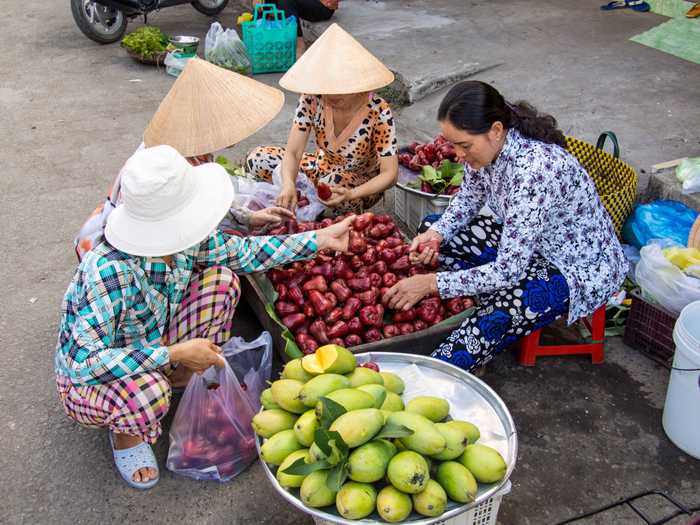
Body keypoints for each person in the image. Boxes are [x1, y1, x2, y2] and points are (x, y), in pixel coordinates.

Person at [56, 144, 354, 490]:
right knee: (150, 393)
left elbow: (242, 253)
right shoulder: (109, 270)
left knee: (224, 281)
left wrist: (318, 239)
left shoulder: (182, 239)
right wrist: (174, 353)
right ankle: (127, 436)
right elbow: (84, 362)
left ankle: (180, 377)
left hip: (154, 337)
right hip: (93, 374)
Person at [383, 80, 628, 372]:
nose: (457, 154)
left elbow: (509, 270)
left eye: (464, 145)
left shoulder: (532, 173)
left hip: (575, 265)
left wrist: (432, 284)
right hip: (528, 244)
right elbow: (469, 197)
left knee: (498, 314)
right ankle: (473, 293)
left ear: (496, 131)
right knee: (433, 228)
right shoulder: (487, 153)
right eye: (452, 144)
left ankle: (436, 371)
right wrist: (436, 234)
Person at [75, 58, 291, 260]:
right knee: (224, 266)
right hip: (135, 254)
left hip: (143, 236)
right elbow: (206, 244)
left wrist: (249, 218)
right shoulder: (168, 165)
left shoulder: (189, 145)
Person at [246, 23, 399, 215]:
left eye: (338, 91)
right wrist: (288, 184)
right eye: (325, 88)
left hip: (359, 182)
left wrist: (351, 194)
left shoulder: (378, 111)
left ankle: (327, 206)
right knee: (257, 159)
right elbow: (293, 152)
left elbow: (390, 174)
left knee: (332, 190)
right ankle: (306, 199)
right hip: (320, 168)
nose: (328, 96)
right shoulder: (312, 98)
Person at [252, 0, 338, 57]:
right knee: (263, 3)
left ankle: (299, 45)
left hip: (321, 5)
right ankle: (261, 45)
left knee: (285, 1)